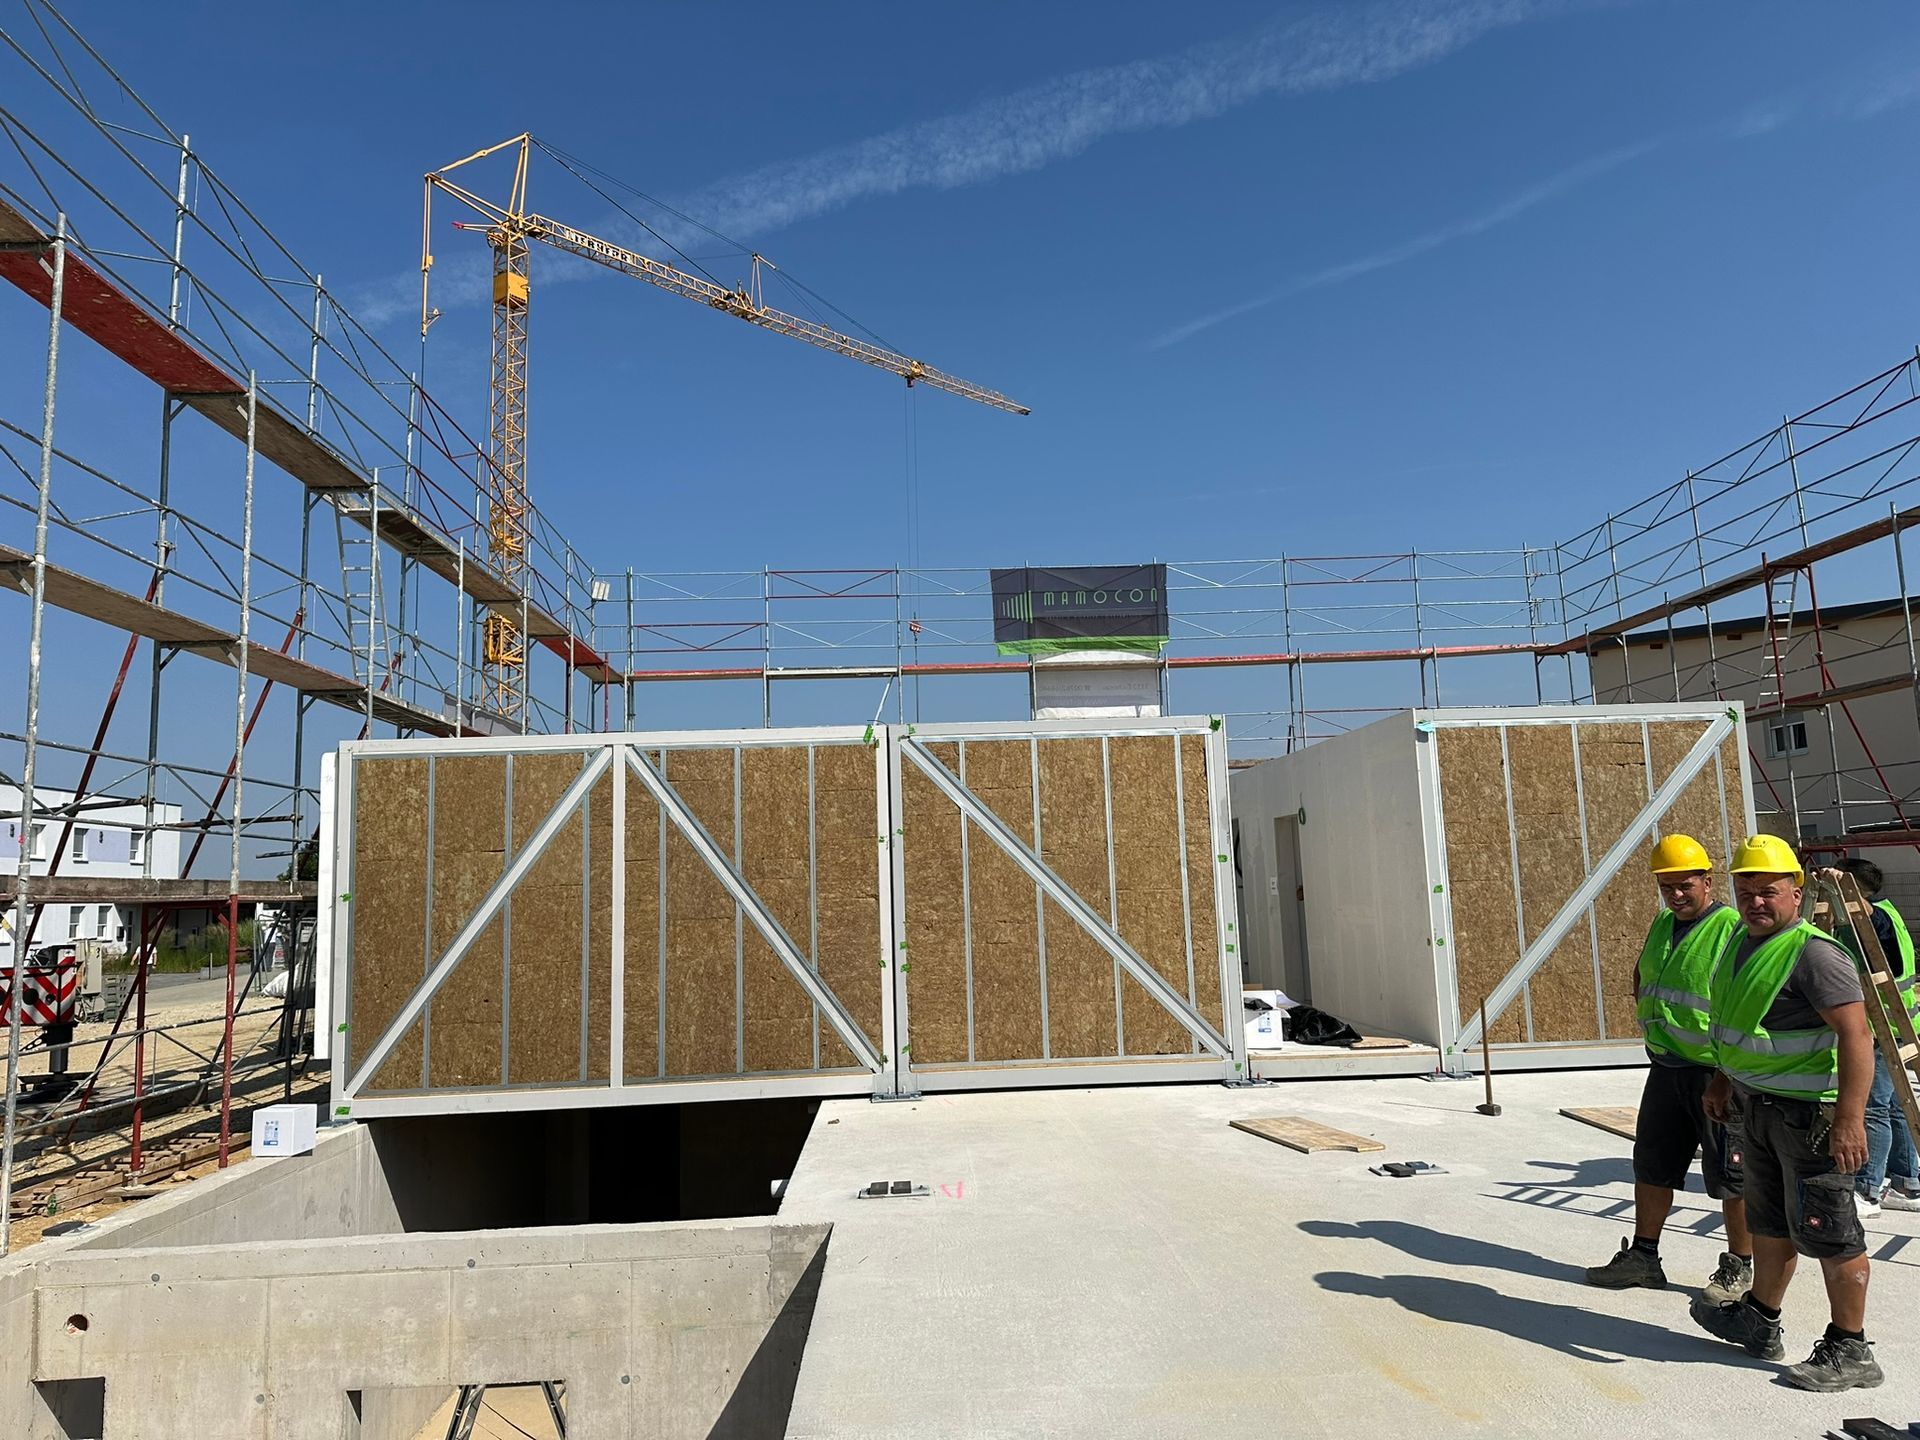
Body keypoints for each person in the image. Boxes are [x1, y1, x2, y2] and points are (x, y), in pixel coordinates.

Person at [1690, 835, 1882, 1392]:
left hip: (1811, 1119)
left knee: (1830, 1232)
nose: (1755, 901)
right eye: (1745, 890)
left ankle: (1852, 1349)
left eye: (1767, 891)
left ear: (1795, 895)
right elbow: (1739, 1019)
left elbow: (1857, 1035)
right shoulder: (1740, 944)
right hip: (1757, 1109)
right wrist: (1726, 1078)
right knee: (1769, 1222)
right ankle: (1759, 1318)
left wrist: (1849, 1118)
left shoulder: (1815, 954)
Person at [1586, 834, 1750, 1299]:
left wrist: (1726, 1073)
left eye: (1685, 886)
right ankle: (1643, 1255)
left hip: (1716, 1072)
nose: (1676, 895)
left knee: (1731, 1175)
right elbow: (1643, 972)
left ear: (1707, 880)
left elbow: (1746, 1001)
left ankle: (1740, 1267)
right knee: (1652, 1164)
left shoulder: (1732, 928)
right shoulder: (1663, 922)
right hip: (1667, 1067)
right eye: (1667, 886)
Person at [1826, 856, 1920, 1218]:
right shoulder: (1889, 912)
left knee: (1873, 1109)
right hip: (1897, 1023)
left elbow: (1867, 922)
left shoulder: (1871, 917)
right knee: (1896, 1107)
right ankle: (1905, 1182)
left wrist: (1839, 887)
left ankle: (1867, 1189)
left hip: (1879, 1025)